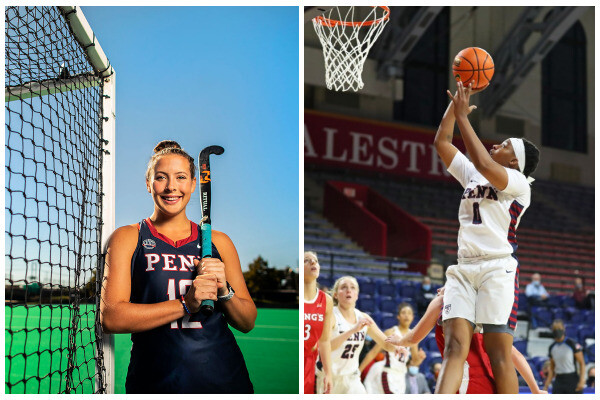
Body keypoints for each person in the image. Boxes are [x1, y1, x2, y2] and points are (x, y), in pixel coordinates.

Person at [100, 140, 255, 393]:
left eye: (181, 177)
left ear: (194, 184)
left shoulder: (219, 242)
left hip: (225, 381)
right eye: (161, 177)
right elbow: (112, 317)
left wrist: (223, 289)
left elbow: (247, 321)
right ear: (148, 184)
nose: (172, 187)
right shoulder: (129, 237)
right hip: (153, 383)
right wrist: (186, 304)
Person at [433, 80, 540, 394]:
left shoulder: (520, 184)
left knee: (498, 354)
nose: (498, 144)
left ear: (515, 161)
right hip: (464, 268)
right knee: (454, 347)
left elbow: (482, 160)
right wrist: (455, 108)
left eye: (505, 144)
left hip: (497, 269)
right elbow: (442, 143)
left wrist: (465, 118)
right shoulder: (475, 175)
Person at [387, 287, 547, 394]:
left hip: (464, 382)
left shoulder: (443, 302)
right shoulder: (487, 313)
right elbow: (516, 355)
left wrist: (400, 341)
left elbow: (414, 337)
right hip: (492, 384)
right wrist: (535, 389)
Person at [318, 275, 401, 394]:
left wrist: (398, 344)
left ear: (357, 295)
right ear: (335, 294)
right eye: (344, 287)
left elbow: (386, 344)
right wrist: (352, 330)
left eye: (353, 288)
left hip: (352, 378)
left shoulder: (364, 318)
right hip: (329, 376)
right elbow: (325, 346)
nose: (348, 290)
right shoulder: (331, 316)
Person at [360, 302, 420, 394]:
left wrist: (420, 358)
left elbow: (414, 362)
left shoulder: (413, 336)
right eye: (404, 313)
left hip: (401, 376)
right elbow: (373, 352)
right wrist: (359, 371)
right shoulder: (390, 332)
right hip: (388, 373)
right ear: (398, 316)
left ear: (412, 317)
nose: (406, 316)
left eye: (409, 313)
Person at [303, 251, 333, 394]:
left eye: (315, 260)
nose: (313, 262)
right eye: (306, 260)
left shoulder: (326, 300)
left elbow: (325, 341)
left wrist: (328, 373)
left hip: (310, 365)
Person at [543, 319, 586, 393]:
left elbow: (582, 363)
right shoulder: (552, 347)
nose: (557, 330)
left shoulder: (572, 344)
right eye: (555, 329)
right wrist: (547, 384)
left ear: (563, 329)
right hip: (559, 379)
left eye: (559, 328)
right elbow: (552, 367)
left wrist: (582, 380)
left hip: (572, 379)